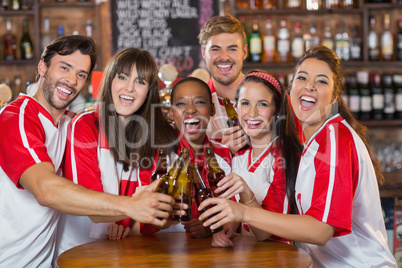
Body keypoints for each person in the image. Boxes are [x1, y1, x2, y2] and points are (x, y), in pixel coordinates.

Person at [198, 45, 396, 267]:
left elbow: (321, 230)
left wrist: (242, 212)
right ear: (291, 90)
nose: (309, 86)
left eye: (321, 81)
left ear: (334, 97)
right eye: (302, 78)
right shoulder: (310, 142)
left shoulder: (336, 138)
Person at [0, 36, 176, 267]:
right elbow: (45, 190)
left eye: (81, 74)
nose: (71, 80)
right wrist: (131, 205)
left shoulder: (69, 122)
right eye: (65, 67)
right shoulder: (18, 117)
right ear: (42, 67)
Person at [59, 47, 180, 255]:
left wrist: (134, 224)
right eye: (122, 77)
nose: (130, 88)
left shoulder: (156, 139)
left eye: (140, 82)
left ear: (149, 92)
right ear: (109, 81)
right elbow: (89, 203)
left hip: (131, 251)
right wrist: (134, 211)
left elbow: (152, 217)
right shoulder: (85, 126)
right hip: (81, 252)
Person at [210, 71, 301, 247]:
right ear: (236, 107)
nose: (252, 113)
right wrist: (225, 231)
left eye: (262, 104)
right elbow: (234, 217)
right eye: (245, 103)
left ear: (276, 111)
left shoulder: (285, 157)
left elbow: (264, 234)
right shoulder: (240, 156)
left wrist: (245, 192)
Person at [140, 77, 232, 238]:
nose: (190, 110)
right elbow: (142, 221)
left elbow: (236, 212)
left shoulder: (226, 155)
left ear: (212, 110)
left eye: (199, 102)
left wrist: (212, 227)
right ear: (170, 112)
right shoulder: (157, 157)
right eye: (181, 104)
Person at [198, 15, 248, 154]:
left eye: (232, 49)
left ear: (244, 52)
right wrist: (225, 152)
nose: (224, 57)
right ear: (203, 52)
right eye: (215, 49)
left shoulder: (269, 96)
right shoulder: (194, 106)